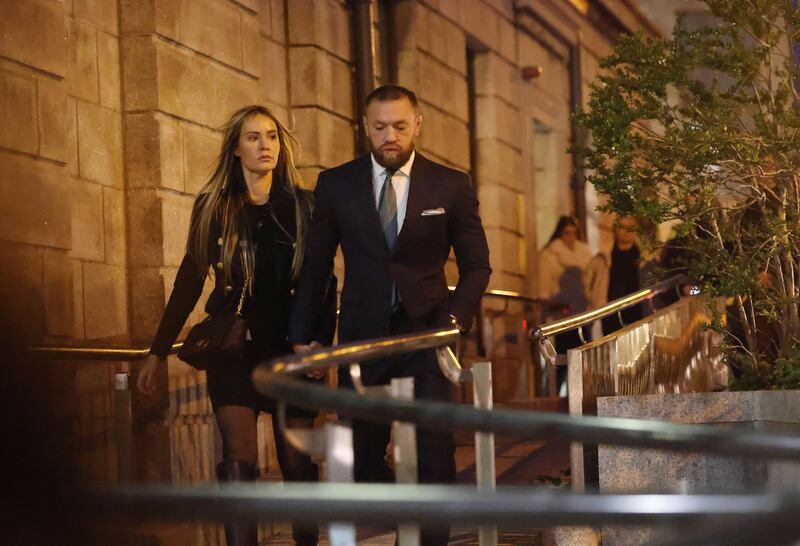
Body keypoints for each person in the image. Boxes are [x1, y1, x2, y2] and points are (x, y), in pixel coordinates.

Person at [288, 84, 491, 546]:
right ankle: (405, 515)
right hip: (364, 335)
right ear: (365, 127)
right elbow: (317, 266)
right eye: (380, 127)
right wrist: (303, 332)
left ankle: (427, 537)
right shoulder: (336, 184)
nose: (390, 136)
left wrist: (454, 320)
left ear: (417, 124)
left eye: (400, 126)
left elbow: (478, 266)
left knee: (436, 454)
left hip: (427, 335)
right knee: (361, 454)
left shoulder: (450, 185)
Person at [136, 105, 336, 546]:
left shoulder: (305, 206)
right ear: (235, 150)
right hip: (236, 350)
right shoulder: (215, 209)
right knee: (239, 458)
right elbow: (188, 284)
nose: (264, 145)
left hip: (292, 350)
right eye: (253, 137)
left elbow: (324, 280)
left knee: (297, 462)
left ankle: (308, 541)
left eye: (271, 137)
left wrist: (321, 343)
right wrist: (156, 352)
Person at [537, 216, 593, 393]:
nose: (571, 237)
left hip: (582, 313)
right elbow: (544, 286)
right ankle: (556, 392)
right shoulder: (549, 256)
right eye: (566, 233)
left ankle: (580, 392)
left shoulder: (585, 255)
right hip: (561, 314)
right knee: (561, 355)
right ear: (559, 234)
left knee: (583, 353)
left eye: (574, 233)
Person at [584, 215, 645, 336]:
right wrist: (593, 298)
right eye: (622, 227)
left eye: (631, 227)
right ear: (614, 230)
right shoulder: (604, 256)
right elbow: (587, 278)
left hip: (639, 310)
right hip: (610, 311)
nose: (627, 230)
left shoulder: (646, 255)